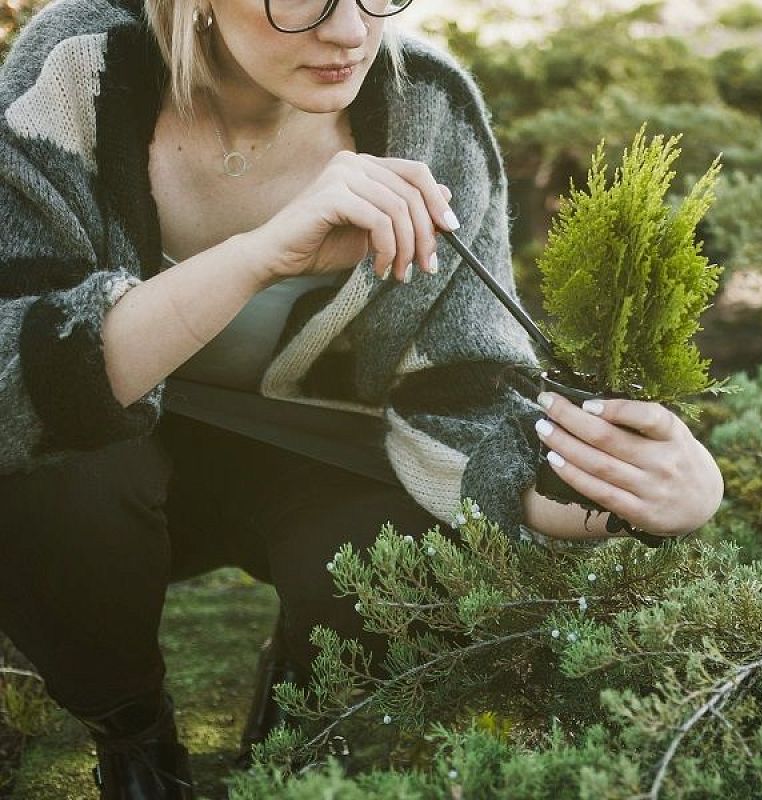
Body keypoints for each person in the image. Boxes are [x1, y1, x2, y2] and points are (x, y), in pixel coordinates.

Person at [0, 0, 725, 794]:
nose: (349, 30)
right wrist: (259, 256)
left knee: (425, 533)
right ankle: (133, 734)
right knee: (47, 472)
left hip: (312, 467)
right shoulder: (77, 71)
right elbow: (15, 378)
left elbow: (469, 396)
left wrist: (633, 496)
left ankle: (303, 725)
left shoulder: (428, 113)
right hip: (112, 473)